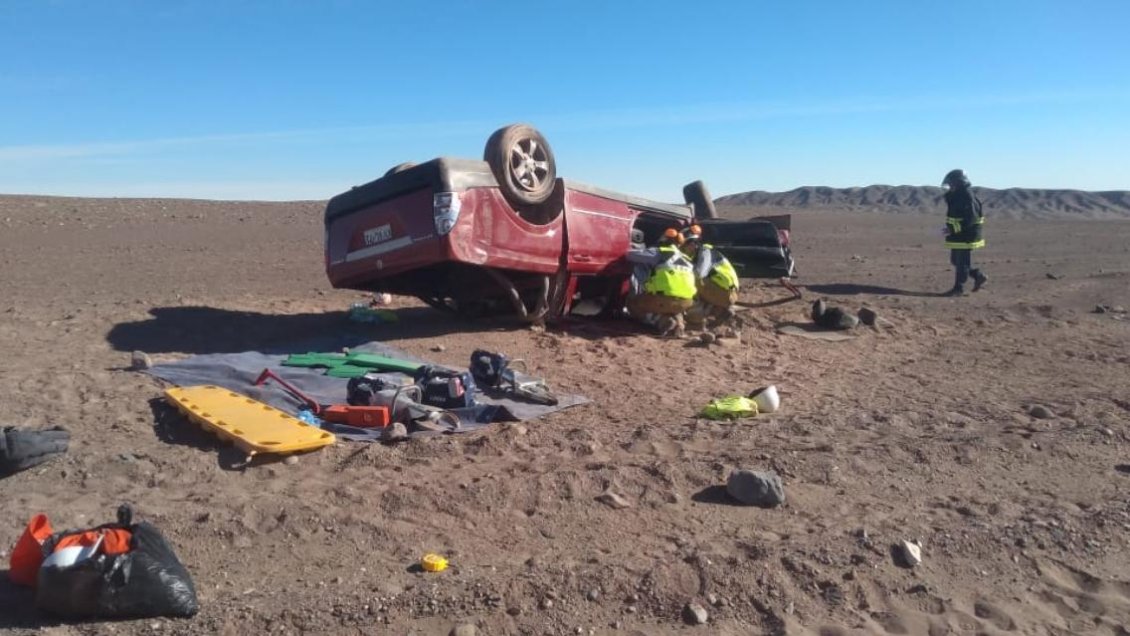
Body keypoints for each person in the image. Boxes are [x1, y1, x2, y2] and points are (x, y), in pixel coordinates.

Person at [624, 228, 697, 336]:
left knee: (633, 304)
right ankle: (679, 325)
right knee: (674, 307)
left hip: (664, 299)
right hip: (687, 303)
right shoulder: (686, 258)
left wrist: (636, 248)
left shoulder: (659, 252)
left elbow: (630, 256)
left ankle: (660, 321)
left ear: (664, 239)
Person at [680, 224, 740, 327]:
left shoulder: (705, 252)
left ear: (693, 243)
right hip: (723, 290)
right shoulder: (700, 254)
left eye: (685, 246)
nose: (684, 249)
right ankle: (719, 312)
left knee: (692, 281)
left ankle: (697, 319)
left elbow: (699, 273)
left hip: (726, 293)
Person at [941, 169, 987, 296]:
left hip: (966, 235)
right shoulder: (958, 196)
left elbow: (970, 218)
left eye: (952, 183)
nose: (950, 186)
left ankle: (958, 289)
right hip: (958, 235)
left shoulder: (967, 196)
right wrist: (951, 228)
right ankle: (978, 275)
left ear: (958, 182)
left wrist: (953, 228)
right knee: (955, 261)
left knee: (962, 263)